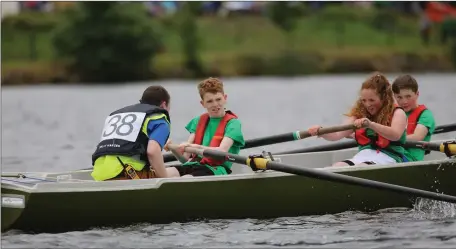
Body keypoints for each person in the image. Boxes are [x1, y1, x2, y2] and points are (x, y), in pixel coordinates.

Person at [308, 72, 410, 166]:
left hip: (389, 158)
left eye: (371, 100)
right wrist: (321, 131)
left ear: (384, 97)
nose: (367, 104)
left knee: (363, 167)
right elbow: (337, 134)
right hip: (363, 156)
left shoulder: (398, 113)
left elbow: (395, 135)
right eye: (364, 100)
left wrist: (371, 125)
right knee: (338, 166)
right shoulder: (358, 115)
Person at [167, 77, 245, 177]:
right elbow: (184, 159)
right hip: (194, 165)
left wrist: (196, 147)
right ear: (203, 103)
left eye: (218, 99)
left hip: (216, 170)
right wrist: (172, 147)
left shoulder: (233, 124)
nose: (215, 104)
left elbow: (222, 151)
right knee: (162, 173)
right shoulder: (197, 121)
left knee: (186, 178)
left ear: (225, 98)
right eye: (210, 101)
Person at [91, 85, 172, 181]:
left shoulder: (117, 114)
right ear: (163, 105)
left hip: (99, 174)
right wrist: (165, 179)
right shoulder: (159, 118)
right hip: (125, 173)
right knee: (174, 172)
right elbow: (152, 151)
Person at [392, 74, 436, 161]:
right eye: (399, 97)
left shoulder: (425, 115)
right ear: (394, 96)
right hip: (393, 153)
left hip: (411, 159)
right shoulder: (393, 112)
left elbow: (417, 137)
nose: (404, 101)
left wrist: (389, 138)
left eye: (408, 96)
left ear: (417, 94)